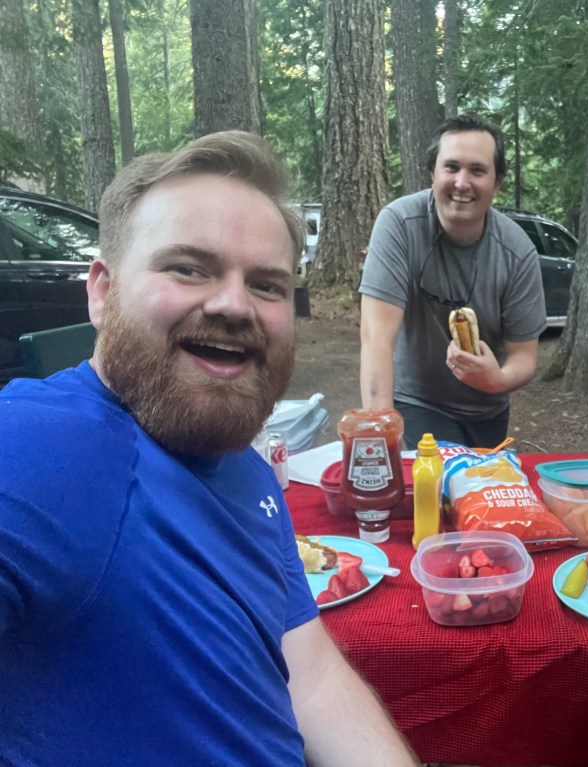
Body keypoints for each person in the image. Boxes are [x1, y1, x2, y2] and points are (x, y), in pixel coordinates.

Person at [0, 132, 418, 767]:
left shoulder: (245, 469)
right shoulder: (40, 444)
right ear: (103, 291)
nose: (233, 305)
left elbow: (312, 680)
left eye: (268, 285)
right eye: (188, 268)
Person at [359, 114, 546, 449]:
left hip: (488, 409)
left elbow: (524, 356)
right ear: (432, 173)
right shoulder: (399, 225)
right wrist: (382, 436)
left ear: (497, 182)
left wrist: (496, 379)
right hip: (418, 400)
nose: (462, 182)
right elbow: (376, 338)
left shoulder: (517, 252)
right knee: (443, 478)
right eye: (451, 167)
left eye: (477, 170)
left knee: (479, 482)